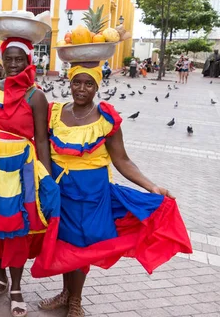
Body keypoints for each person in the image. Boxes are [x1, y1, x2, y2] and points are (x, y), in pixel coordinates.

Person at [32, 64, 192, 317]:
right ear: (69, 83)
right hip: (61, 190)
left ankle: (76, 299)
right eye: (77, 82)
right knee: (65, 242)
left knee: (85, 244)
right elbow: (40, 143)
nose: (81, 89)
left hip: (93, 193)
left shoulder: (106, 119)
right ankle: (66, 293)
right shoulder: (55, 112)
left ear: (97, 87)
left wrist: (152, 186)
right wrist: (47, 182)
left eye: (88, 84)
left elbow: (123, 160)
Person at [0, 37, 59, 317]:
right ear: (1, 60)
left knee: (17, 230)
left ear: (28, 62)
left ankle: (15, 287)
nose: (13, 65)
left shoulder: (35, 96)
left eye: (19, 60)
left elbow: (42, 140)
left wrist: (44, 179)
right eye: (8, 59)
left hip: (21, 174)